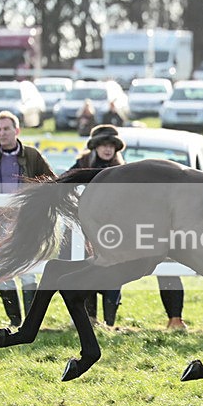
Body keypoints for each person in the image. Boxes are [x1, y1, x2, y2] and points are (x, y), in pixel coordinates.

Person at [0, 110, 55, 327]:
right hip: (0, 223)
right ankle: (14, 321)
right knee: (3, 273)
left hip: (27, 223)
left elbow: (51, 180)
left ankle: (31, 323)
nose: (2, 134)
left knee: (28, 273)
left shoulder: (32, 156)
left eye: (6, 129)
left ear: (17, 130)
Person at [60, 124, 125, 326]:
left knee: (113, 273)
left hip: (113, 229)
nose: (107, 149)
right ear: (95, 147)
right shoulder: (80, 166)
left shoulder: (123, 170)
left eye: (111, 145)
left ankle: (109, 322)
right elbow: (64, 188)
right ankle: (89, 318)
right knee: (87, 270)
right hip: (84, 229)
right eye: (103, 144)